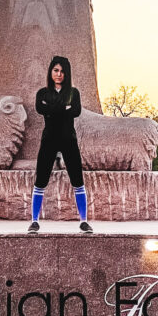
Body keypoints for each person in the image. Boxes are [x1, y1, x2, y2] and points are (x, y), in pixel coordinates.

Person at [28, 55, 93, 233]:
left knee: (77, 180)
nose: (59, 74)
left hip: (68, 140)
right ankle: (34, 220)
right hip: (49, 140)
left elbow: (76, 111)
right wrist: (63, 108)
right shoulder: (42, 93)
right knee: (40, 180)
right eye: (56, 70)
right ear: (50, 72)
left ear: (67, 74)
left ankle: (84, 221)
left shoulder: (73, 92)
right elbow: (40, 108)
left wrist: (53, 108)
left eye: (62, 71)